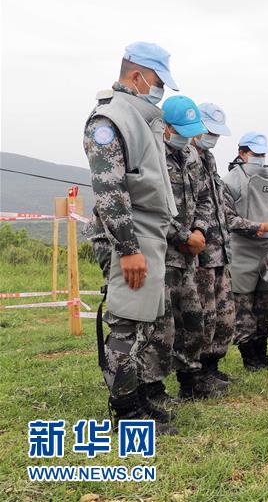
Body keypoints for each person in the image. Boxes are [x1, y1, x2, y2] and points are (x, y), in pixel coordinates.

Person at [83, 42, 179, 433]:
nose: (159, 91)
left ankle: (138, 396)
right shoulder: (109, 120)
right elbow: (110, 191)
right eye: (157, 82)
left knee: (146, 323)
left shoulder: (139, 118)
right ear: (137, 75)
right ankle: (126, 413)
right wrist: (127, 248)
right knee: (126, 327)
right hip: (130, 235)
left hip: (148, 233)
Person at [160, 96, 218, 400]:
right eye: (181, 129)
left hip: (190, 255)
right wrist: (183, 236)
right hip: (163, 253)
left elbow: (205, 199)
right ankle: (151, 387)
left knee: (193, 319)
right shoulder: (152, 156)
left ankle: (190, 380)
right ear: (165, 126)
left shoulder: (191, 157)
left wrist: (199, 230)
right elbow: (150, 209)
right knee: (161, 325)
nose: (186, 136)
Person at [223, 132, 268, 371]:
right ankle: (249, 356)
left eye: (263, 154)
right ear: (242, 153)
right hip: (242, 251)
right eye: (256, 153)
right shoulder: (230, 181)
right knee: (243, 306)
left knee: (264, 305)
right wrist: (259, 227)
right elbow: (228, 219)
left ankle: (262, 353)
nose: (260, 158)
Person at [192, 103, 235, 387]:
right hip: (200, 253)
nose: (213, 138)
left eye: (217, 134)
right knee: (203, 316)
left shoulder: (208, 158)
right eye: (209, 132)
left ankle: (212, 365)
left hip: (221, 250)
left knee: (223, 314)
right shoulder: (186, 156)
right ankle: (196, 373)